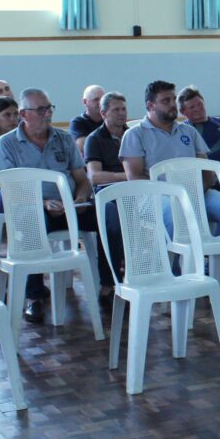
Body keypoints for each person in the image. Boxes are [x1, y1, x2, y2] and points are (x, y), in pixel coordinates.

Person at [0, 88, 106, 323]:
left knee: (109, 216)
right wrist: (43, 203)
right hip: (33, 207)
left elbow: (81, 178)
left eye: (49, 108)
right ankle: (34, 296)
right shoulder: (7, 144)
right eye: (41, 110)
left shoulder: (63, 139)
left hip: (70, 206)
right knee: (30, 220)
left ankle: (108, 284)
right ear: (24, 114)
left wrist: (81, 197)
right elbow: (10, 189)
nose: (47, 114)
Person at [121, 80, 220, 292]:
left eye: (173, 99)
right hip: (155, 198)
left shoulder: (188, 132)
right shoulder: (135, 134)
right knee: (175, 214)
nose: (172, 105)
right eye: (165, 101)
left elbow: (205, 170)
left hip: (194, 193)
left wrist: (197, 191)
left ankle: (215, 273)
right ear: (151, 105)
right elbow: (134, 177)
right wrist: (174, 194)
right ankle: (179, 277)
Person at [83, 91, 129, 295]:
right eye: (116, 110)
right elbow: (95, 177)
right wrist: (128, 176)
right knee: (110, 215)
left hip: (135, 191)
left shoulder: (133, 134)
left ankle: (145, 269)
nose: (121, 113)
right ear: (103, 113)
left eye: (124, 109)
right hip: (107, 194)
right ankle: (109, 281)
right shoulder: (94, 139)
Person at [68, 84, 106, 153]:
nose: (101, 103)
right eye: (96, 99)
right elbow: (84, 148)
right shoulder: (78, 122)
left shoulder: (110, 120)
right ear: (85, 102)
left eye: (103, 99)